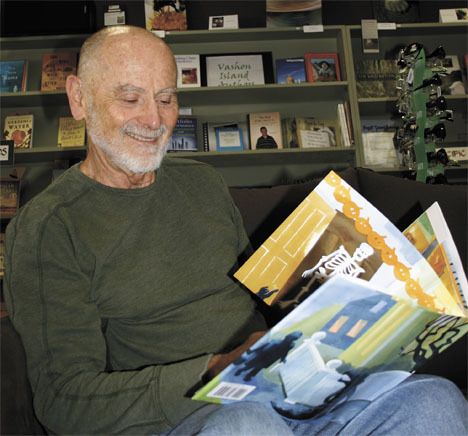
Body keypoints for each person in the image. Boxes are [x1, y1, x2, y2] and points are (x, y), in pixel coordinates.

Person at [3, 25, 467, 435]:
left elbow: (264, 296)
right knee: (250, 425)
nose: (154, 120)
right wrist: (215, 371)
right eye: (130, 98)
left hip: (292, 389)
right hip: (194, 414)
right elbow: (64, 401)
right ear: (79, 98)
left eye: (166, 98)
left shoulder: (200, 181)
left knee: (433, 399)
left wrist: (356, 301)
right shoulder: (50, 227)